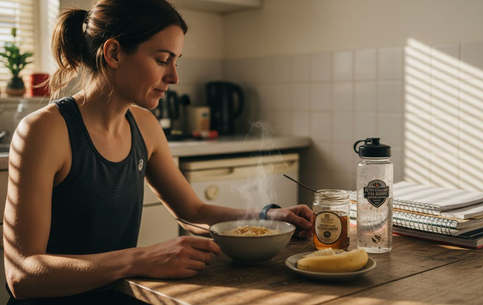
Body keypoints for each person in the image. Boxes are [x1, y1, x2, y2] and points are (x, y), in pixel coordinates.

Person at [3, 0, 314, 304]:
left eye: (176, 61)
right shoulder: (44, 132)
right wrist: (140, 259)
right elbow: (23, 276)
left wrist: (268, 216)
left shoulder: (144, 125)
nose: (174, 77)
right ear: (113, 53)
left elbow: (193, 212)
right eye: (163, 59)